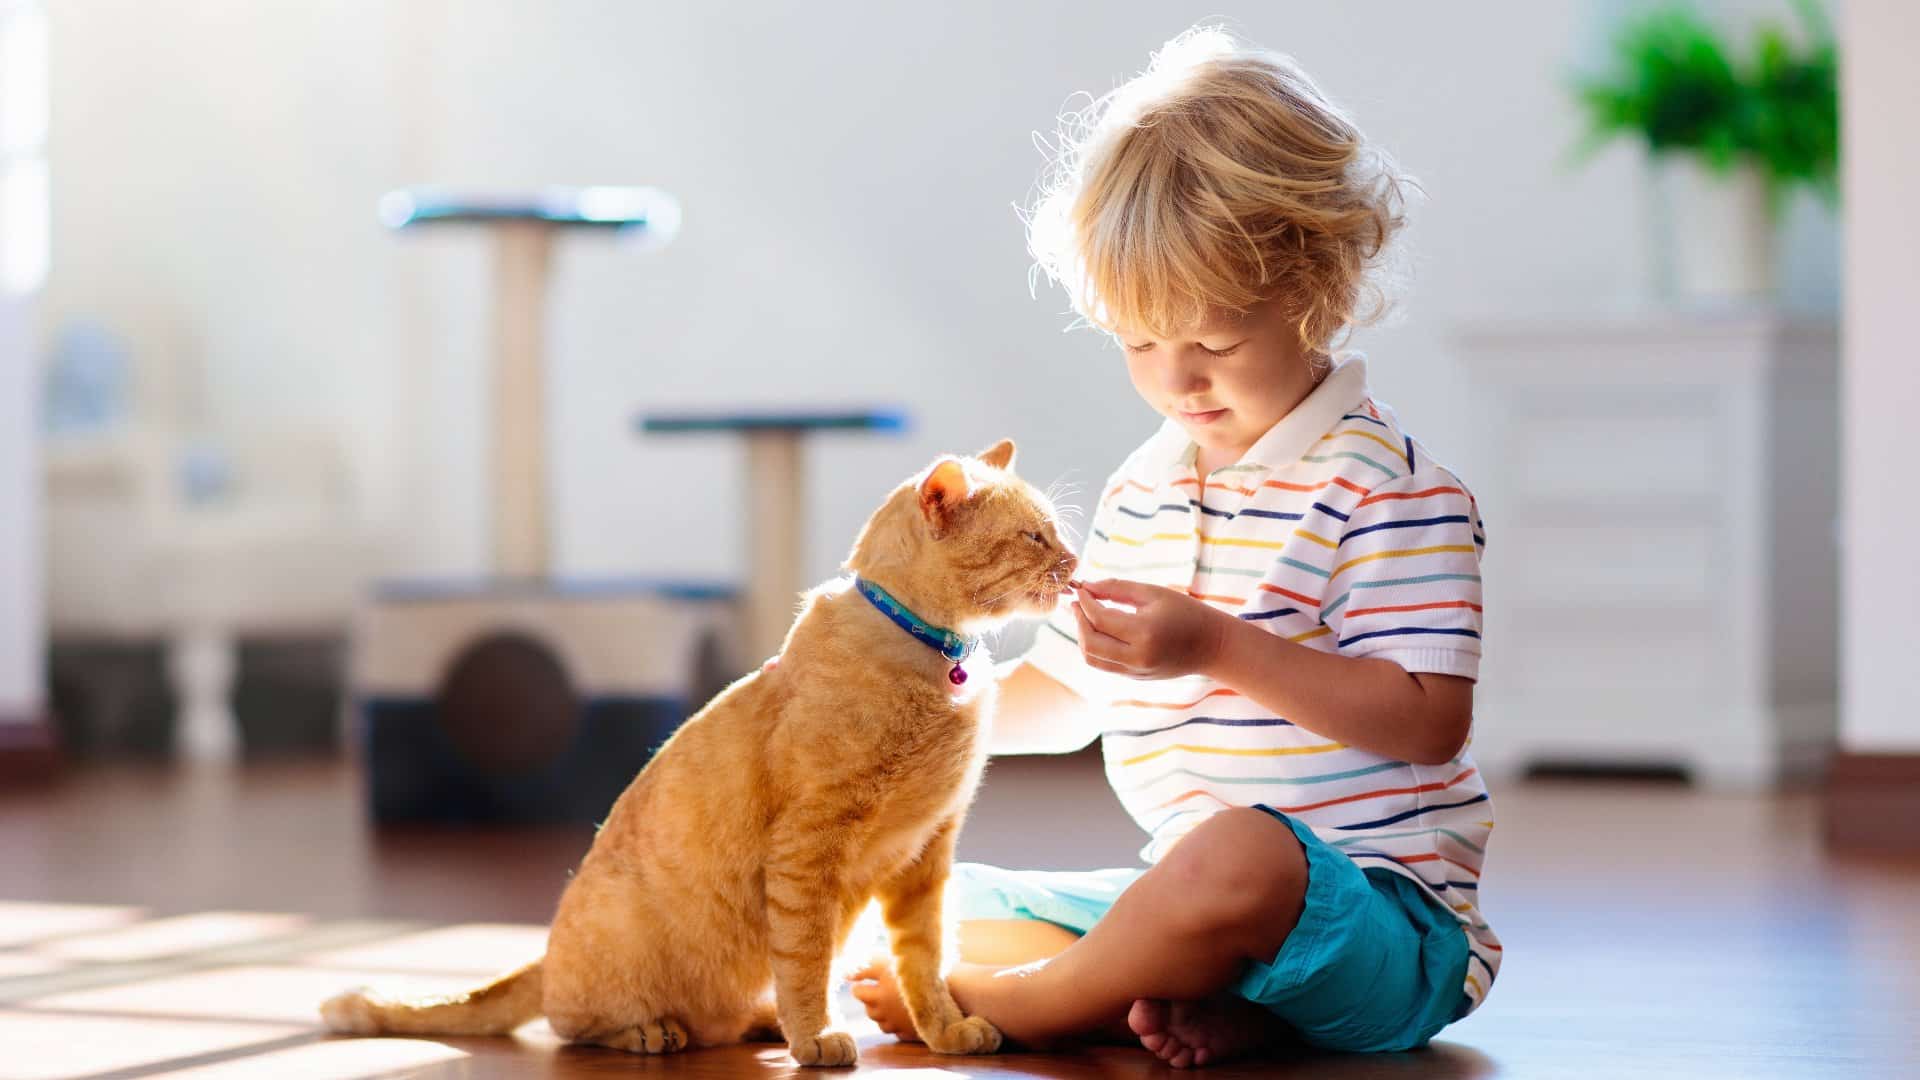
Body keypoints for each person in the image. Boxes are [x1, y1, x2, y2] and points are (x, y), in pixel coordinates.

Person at [850, 26, 1499, 1068]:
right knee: (923, 894)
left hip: (1382, 927)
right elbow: (1071, 696)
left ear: (1315, 288)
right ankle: (1195, 1003)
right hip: (1191, 901)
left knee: (1240, 853)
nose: (1175, 380)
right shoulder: (1144, 490)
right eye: (1139, 341)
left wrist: (1217, 648)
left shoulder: (1388, 488)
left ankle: (1036, 1004)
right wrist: (920, 706)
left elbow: (1426, 722)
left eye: (1214, 342)